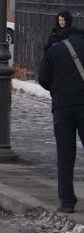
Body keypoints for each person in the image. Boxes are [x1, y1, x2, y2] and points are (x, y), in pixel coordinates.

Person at [37, 13, 84, 214]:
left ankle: (66, 201)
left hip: (62, 107)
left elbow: (43, 79)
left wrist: (58, 89)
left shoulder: (53, 50)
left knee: (65, 156)